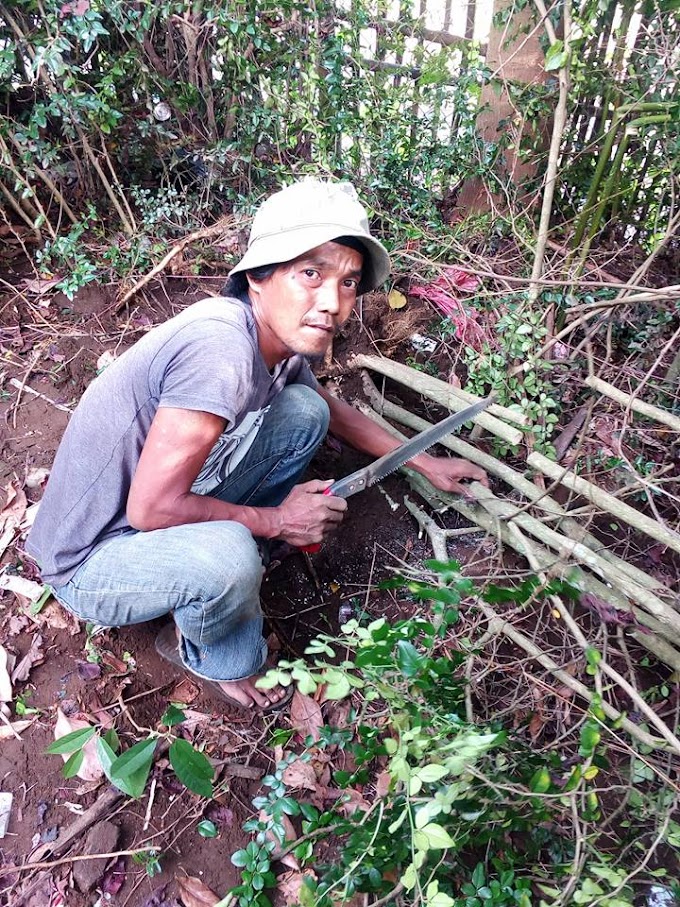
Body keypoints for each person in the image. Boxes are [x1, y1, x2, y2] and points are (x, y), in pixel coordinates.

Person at [26, 179, 488, 713]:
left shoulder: (279, 342)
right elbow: (150, 509)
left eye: (348, 283)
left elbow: (333, 413)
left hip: (152, 509)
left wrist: (425, 462)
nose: (333, 303)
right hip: (92, 561)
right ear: (257, 278)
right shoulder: (221, 349)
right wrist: (277, 521)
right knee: (228, 558)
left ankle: (231, 561)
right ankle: (212, 650)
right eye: (310, 274)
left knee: (306, 412)